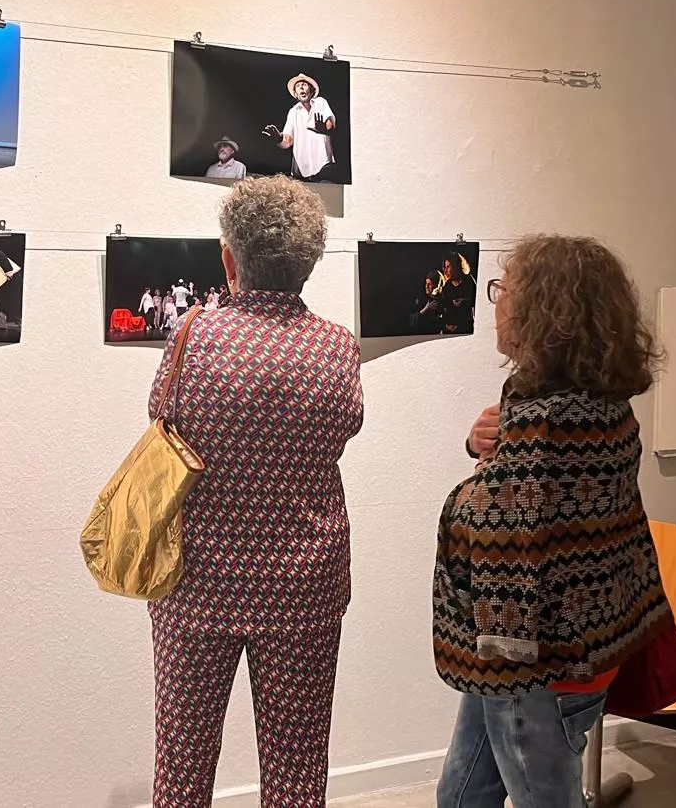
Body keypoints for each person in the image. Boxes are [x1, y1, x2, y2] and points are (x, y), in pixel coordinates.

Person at [145, 175, 362, 807]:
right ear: (311, 261)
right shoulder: (337, 348)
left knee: (181, 765)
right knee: (298, 770)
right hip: (303, 584)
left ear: (229, 257)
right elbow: (344, 428)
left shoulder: (194, 336)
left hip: (197, 581)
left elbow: (164, 421)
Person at [436, 234, 672, 808]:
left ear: (546, 313)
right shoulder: (601, 403)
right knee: (461, 797)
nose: (496, 303)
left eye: (505, 292)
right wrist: (483, 446)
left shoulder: (549, 424)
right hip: (563, 647)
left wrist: (466, 490)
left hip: (532, 660)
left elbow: (492, 535)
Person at [263, 74, 337, 182]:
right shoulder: (293, 112)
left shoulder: (321, 102)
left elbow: (330, 123)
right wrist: (278, 138)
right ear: (295, 94)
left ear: (311, 91)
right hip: (301, 172)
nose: (301, 87)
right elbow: (287, 141)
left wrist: (324, 129)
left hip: (324, 166)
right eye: (298, 86)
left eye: (304, 85)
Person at [438, 252, 477, 335]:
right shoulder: (446, 286)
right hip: (448, 332)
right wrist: (446, 326)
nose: (445, 270)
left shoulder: (469, 281)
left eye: (448, 267)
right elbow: (442, 309)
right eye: (444, 267)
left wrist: (463, 302)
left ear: (455, 266)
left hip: (466, 330)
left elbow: (477, 303)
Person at [412, 271, 445, 335]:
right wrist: (426, 308)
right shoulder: (421, 298)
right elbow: (414, 320)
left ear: (436, 285)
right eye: (426, 283)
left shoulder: (441, 298)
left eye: (429, 284)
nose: (426, 286)